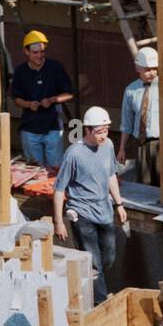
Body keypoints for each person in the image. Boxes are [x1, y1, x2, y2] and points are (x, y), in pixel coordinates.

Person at [53, 106, 128, 304]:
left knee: (109, 257)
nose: (103, 135)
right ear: (87, 130)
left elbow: (111, 174)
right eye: (98, 132)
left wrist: (119, 204)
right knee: (94, 263)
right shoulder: (74, 154)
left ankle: (88, 284)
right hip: (82, 214)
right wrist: (58, 221)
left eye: (106, 130)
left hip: (104, 211)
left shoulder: (109, 145)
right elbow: (60, 188)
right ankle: (100, 303)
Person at [9, 29, 74, 167]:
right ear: (26, 52)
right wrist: (28, 104)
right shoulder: (20, 71)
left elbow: (69, 93)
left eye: (42, 52)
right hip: (29, 129)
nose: (39, 55)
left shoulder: (55, 67)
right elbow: (16, 99)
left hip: (53, 128)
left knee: (55, 170)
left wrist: (52, 100)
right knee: (34, 171)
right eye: (35, 52)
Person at [117, 46, 161, 184]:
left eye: (155, 68)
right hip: (141, 143)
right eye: (148, 70)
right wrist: (122, 149)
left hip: (162, 142)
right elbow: (126, 122)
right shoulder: (131, 90)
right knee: (145, 182)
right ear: (138, 68)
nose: (152, 73)